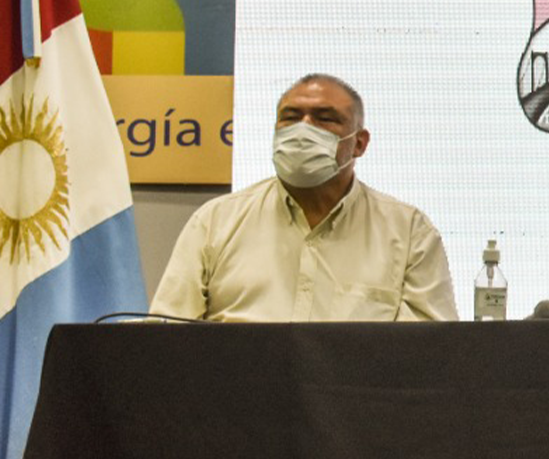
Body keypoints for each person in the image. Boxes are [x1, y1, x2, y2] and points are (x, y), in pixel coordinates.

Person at [150, 74, 457, 321]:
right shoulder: (215, 221)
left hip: (354, 397)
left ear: (360, 143)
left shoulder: (409, 231)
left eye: (325, 118)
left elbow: (426, 355)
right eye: (291, 117)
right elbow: (166, 336)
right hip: (234, 394)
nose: (303, 129)